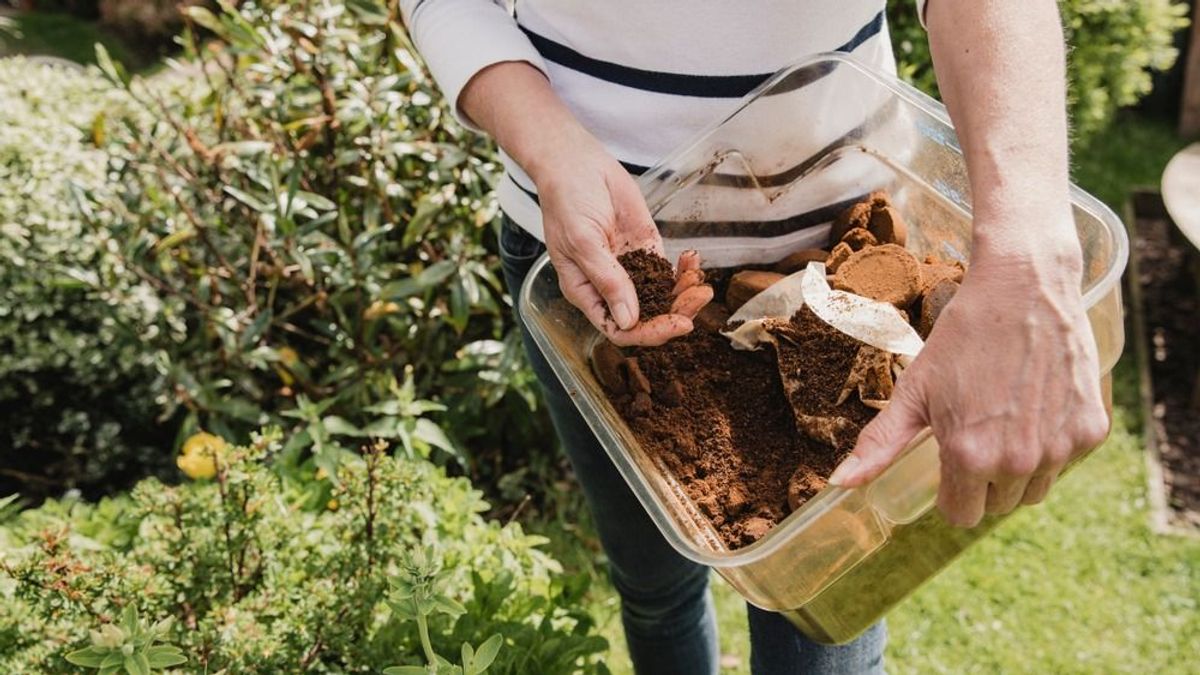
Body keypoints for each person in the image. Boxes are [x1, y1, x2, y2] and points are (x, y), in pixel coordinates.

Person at [398, 1, 1111, 673]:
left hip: (845, 264)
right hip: (598, 269)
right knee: (655, 588)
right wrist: (551, 148)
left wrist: (1026, 255)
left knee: (826, 628)